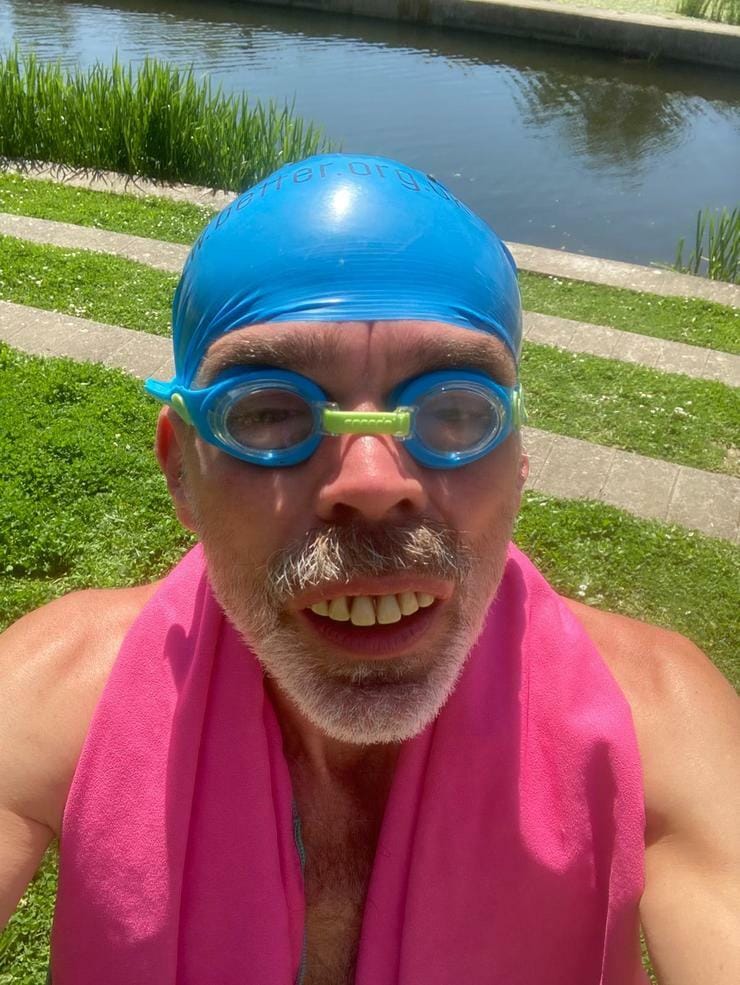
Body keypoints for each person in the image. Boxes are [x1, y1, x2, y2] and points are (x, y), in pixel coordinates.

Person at [0, 154, 738, 985]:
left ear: (520, 462)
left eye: (455, 409)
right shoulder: (59, 692)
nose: (373, 482)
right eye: (269, 411)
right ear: (182, 471)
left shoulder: (658, 727)